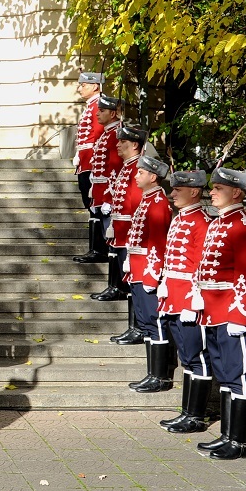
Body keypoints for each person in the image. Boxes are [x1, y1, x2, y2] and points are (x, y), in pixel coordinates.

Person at [193, 167, 246, 460]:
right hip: (212, 309)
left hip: (232, 310)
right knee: (224, 374)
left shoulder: (244, 226)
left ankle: (240, 442)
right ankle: (226, 435)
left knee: (239, 376)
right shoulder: (220, 222)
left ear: (236, 192)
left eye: (218, 188)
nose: (212, 192)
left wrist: (239, 314)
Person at [156, 170, 212, 433]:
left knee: (196, 357)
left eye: (178, 190)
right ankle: (186, 412)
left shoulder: (202, 221)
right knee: (187, 357)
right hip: (175, 295)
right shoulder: (181, 219)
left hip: (191, 298)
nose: (172, 193)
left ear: (194, 192)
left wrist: (194, 300)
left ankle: (196, 416)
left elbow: (202, 264)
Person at [123, 155, 174, 393]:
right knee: (146, 324)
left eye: (141, 173)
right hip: (138, 269)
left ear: (153, 177)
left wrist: (153, 276)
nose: (136, 175)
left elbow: (157, 243)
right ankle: (152, 373)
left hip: (147, 272)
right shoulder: (147, 200)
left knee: (156, 325)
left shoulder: (158, 203)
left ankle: (160, 376)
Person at [105, 125, 146, 345]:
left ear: (135, 145)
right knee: (129, 283)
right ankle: (133, 326)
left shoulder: (137, 168)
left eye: (123, 142)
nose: (118, 145)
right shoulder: (127, 167)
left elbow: (138, 208)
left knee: (134, 284)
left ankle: (138, 327)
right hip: (121, 232)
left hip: (130, 234)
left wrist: (132, 239)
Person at [86, 96, 124, 301]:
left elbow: (116, 169)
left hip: (109, 195)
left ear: (113, 113)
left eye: (102, 110)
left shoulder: (116, 134)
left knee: (114, 243)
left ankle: (117, 286)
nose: (98, 113)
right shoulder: (106, 134)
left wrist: (110, 198)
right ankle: (114, 285)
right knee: (110, 242)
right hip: (100, 193)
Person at [71, 71, 105, 260]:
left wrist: (91, 160)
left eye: (83, 85)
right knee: (90, 205)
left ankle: (99, 249)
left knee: (95, 205)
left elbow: (99, 135)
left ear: (95, 86)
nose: (80, 88)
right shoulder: (91, 106)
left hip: (93, 162)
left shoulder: (99, 105)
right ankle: (96, 248)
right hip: (85, 161)